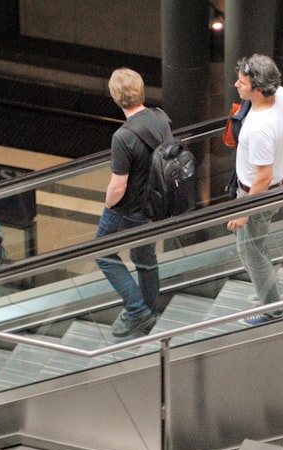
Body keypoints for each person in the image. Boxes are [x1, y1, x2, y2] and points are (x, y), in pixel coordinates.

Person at [226, 53, 283, 327]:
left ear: (258, 89)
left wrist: (244, 210)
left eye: (242, 82)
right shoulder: (282, 94)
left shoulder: (260, 128)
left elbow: (263, 176)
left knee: (251, 252)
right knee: (252, 248)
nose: (236, 85)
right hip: (278, 186)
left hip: (257, 194)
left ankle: (272, 309)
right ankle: (267, 291)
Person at [96, 67, 166, 338]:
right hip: (157, 204)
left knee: (102, 252)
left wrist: (108, 205)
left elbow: (118, 186)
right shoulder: (160, 117)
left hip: (131, 208)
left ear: (115, 97)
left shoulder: (122, 137)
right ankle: (149, 313)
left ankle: (137, 310)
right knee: (144, 257)